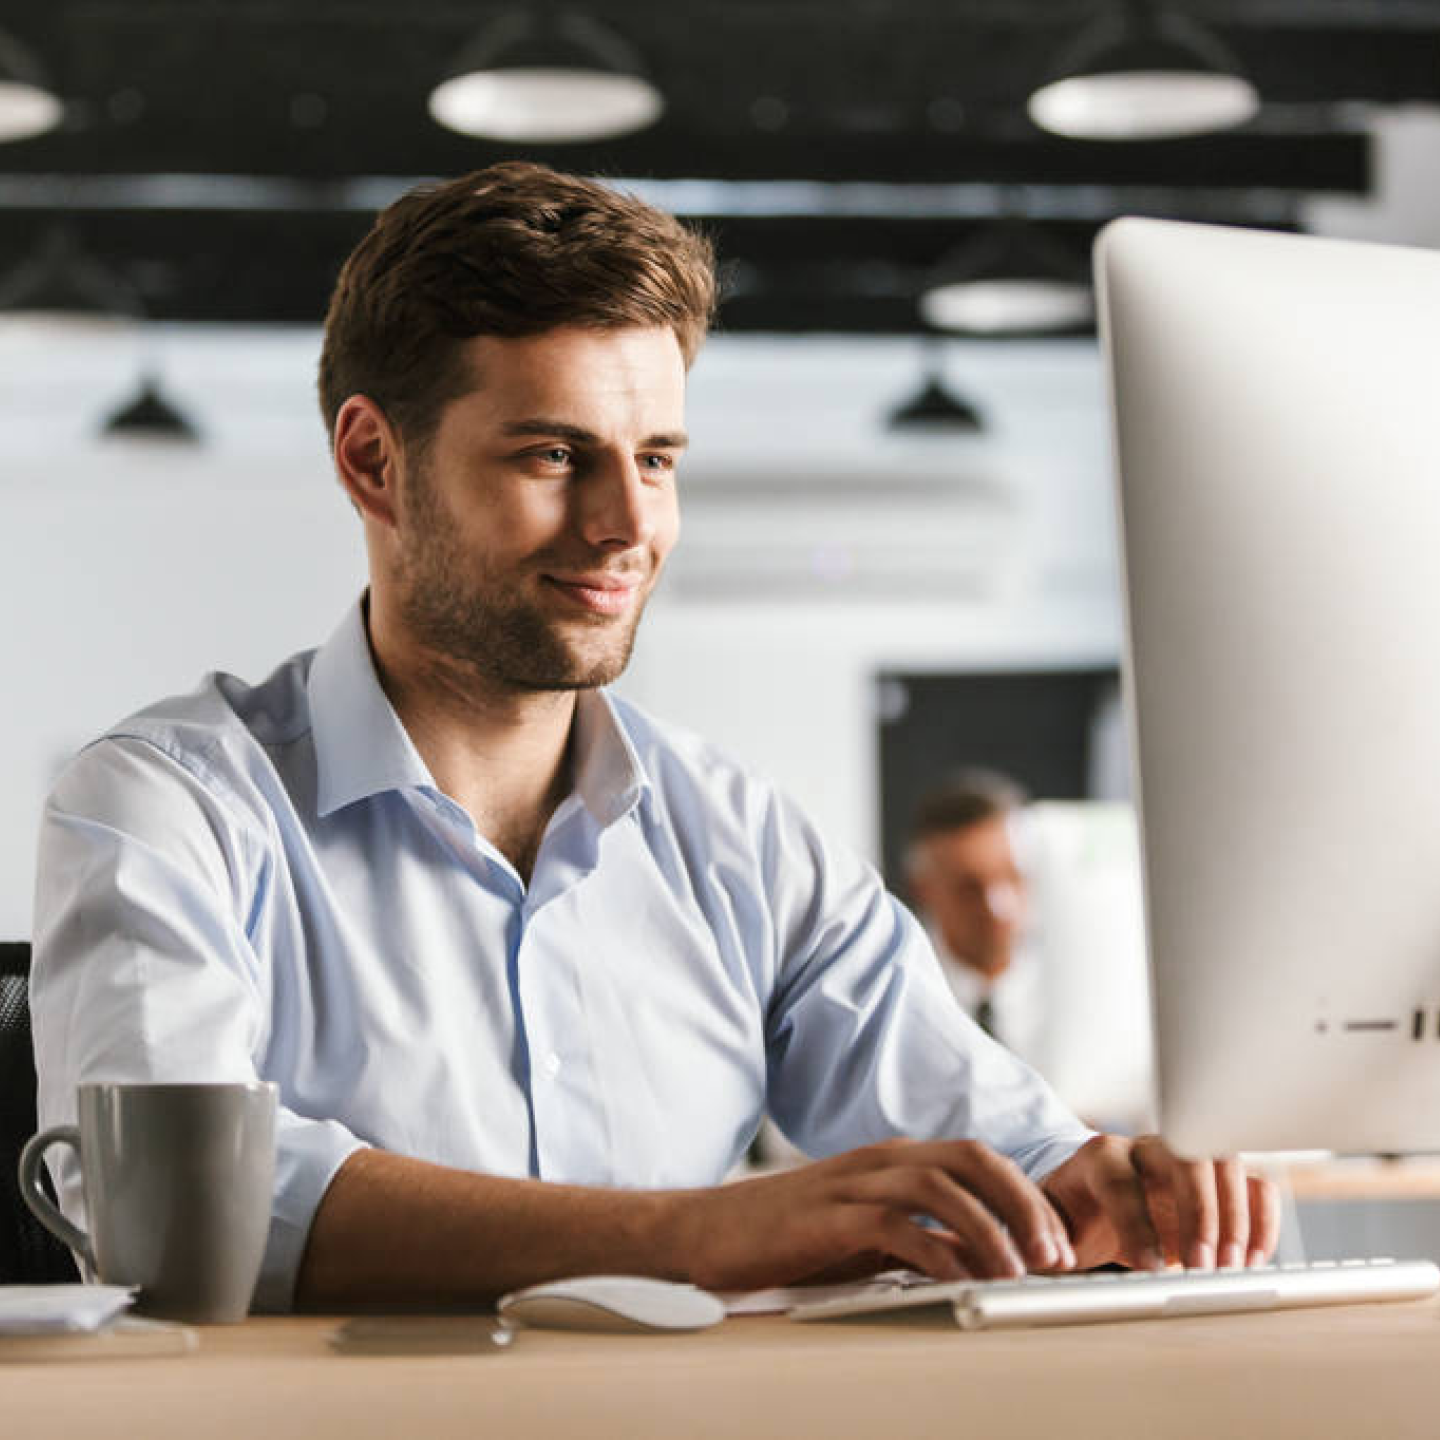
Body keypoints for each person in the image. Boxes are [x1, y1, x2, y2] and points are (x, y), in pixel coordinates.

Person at [30, 162, 1278, 1314]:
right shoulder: (165, 805)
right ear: (373, 462)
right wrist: (700, 1236)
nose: (628, 523)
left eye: (659, 457)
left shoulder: (739, 839)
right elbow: (175, 1221)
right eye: (554, 454)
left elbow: (1006, 1145)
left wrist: (1099, 1187)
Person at [906, 769, 1042, 1061]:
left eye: (1012, 877)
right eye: (969, 888)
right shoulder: (901, 996)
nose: (997, 907)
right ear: (923, 890)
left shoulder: (1078, 985)